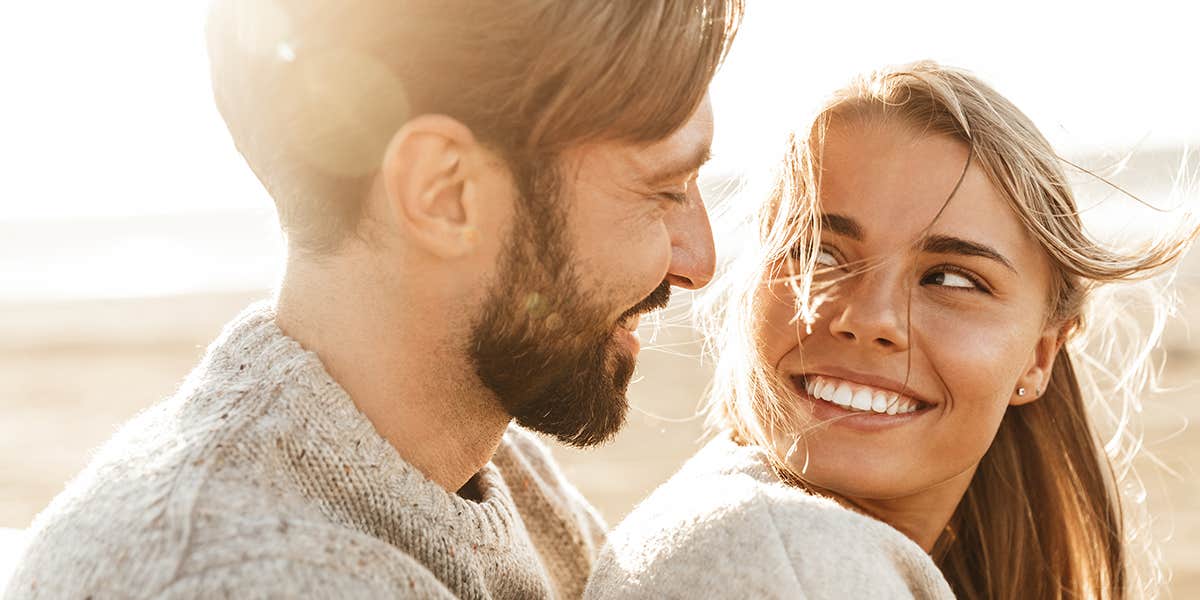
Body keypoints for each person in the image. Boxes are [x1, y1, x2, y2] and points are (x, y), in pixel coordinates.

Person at [4, 2, 743, 598]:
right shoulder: (243, 577)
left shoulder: (490, 465)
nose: (698, 261)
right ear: (444, 194)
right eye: (665, 190)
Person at [586, 61, 1198, 599]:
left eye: (952, 280)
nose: (870, 319)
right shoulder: (783, 557)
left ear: (1039, 357)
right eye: (819, 254)